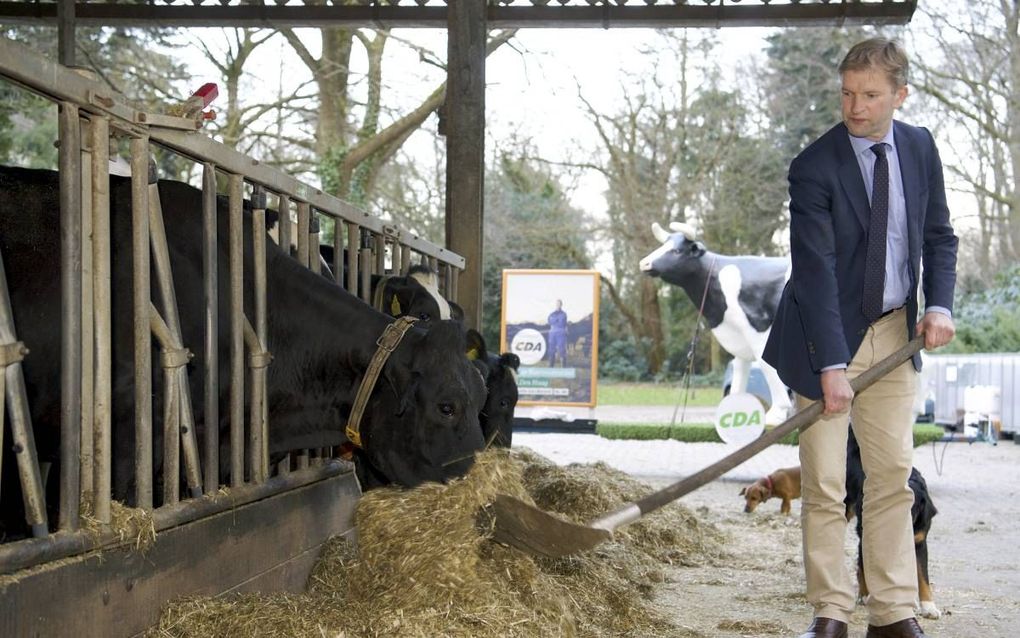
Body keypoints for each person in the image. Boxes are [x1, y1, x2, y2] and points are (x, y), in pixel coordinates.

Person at [763, 38, 957, 638]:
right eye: (847, 93)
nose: (855, 106)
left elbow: (939, 236)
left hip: (897, 333)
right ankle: (830, 612)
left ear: (900, 94)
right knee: (824, 483)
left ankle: (894, 612)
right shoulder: (814, 166)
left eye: (870, 95)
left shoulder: (920, 148)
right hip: (825, 341)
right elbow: (816, 271)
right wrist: (831, 365)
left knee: (891, 477)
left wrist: (940, 305)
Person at [547, 299, 569, 367]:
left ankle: (563, 367)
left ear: (561, 305)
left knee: (562, 350)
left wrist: (554, 321)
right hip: (552, 333)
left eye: (559, 304)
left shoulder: (563, 314)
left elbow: (561, 322)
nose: (558, 305)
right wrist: (555, 321)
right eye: (557, 304)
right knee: (551, 350)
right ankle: (551, 366)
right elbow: (549, 321)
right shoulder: (551, 314)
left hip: (560, 333)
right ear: (555, 305)